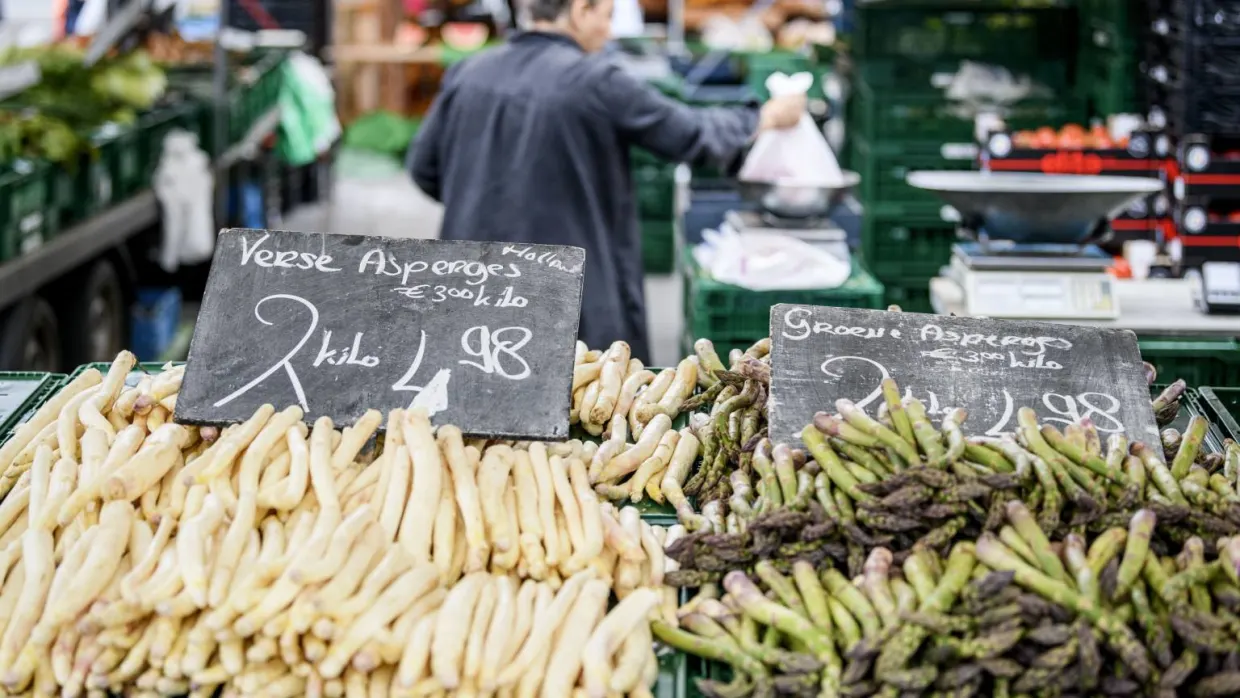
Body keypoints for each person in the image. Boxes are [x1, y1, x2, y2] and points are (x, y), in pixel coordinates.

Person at [409, 0, 805, 363]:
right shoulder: (596, 80)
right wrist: (762, 117)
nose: (611, 31)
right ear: (580, 11)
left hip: (474, 285)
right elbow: (688, 133)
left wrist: (482, 201)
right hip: (573, 295)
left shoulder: (469, 72)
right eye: (607, 15)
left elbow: (424, 168)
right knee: (582, 413)